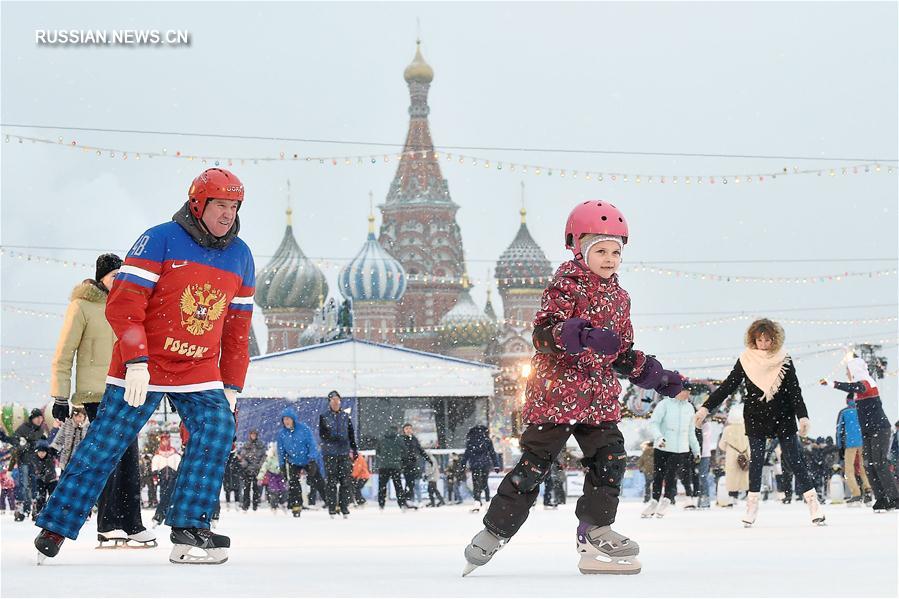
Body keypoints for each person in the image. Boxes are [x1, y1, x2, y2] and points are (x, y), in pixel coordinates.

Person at [35, 168, 255, 565]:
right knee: (107, 442)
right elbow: (124, 303)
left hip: (198, 367)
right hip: (145, 364)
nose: (228, 214)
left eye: (234, 206)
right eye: (220, 205)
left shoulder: (241, 256)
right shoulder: (159, 239)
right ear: (198, 204)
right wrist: (135, 359)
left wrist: (231, 385)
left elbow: (237, 328)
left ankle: (190, 526)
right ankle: (56, 524)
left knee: (218, 428)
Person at [464, 201, 686, 576]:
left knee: (611, 460)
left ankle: (594, 531)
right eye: (601, 251)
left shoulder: (620, 298)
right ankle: (494, 531)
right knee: (534, 467)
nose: (610, 259)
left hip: (598, 398)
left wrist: (658, 377)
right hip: (556, 396)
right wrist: (578, 335)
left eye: (616, 251)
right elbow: (543, 334)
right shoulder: (564, 286)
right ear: (580, 250)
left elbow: (621, 353)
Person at [49, 253, 155, 545]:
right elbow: (64, 352)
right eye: (113, 276)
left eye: (122, 276)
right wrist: (60, 395)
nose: (118, 281)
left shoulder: (129, 306)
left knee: (129, 458)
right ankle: (108, 523)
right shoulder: (82, 306)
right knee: (109, 457)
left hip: (125, 390)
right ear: (101, 278)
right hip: (96, 393)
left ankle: (132, 523)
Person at [695, 318, 824, 528]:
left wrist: (803, 416)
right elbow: (728, 386)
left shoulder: (784, 359)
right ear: (753, 340)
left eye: (767, 340)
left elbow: (794, 391)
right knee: (756, 460)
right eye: (759, 340)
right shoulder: (746, 360)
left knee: (794, 459)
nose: (763, 344)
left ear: (775, 339)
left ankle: (813, 502)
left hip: (783, 415)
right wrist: (705, 407)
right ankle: (752, 506)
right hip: (756, 415)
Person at [822, 357, 898, 511]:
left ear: (855, 370)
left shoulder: (867, 382)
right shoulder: (858, 389)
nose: (847, 373)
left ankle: (894, 498)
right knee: (868, 465)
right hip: (867, 431)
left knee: (880, 463)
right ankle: (881, 498)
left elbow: (858, 387)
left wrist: (833, 384)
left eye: (848, 370)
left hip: (879, 429)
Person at [642, 389, 700, 518]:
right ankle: (654, 501)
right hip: (663, 446)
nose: (687, 394)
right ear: (677, 390)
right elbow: (654, 423)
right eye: (684, 391)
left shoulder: (689, 408)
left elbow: (691, 432)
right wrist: (659, 437)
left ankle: (666, 500)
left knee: (671, 475)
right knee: (658, 475)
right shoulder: (664, 404)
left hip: (680, 449)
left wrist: (696, 450)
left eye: (689, 392)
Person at [319, 391, 359, 517]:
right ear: (329, 402)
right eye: (333, 400)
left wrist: (354, 449)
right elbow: (322, 434)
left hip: (343, 452)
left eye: (337, 400)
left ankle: (344, 506)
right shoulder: (324, 416)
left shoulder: (345, 416)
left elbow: (351, 434)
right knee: (331, 481)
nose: (335, 402)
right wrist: (332, 438)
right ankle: (332, 507)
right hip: (330, 453)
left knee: (345, 481)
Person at [277, 407, 320, 517]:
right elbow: (281, 451)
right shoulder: (282, 434)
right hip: (293, 461)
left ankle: (330, 503)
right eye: (284, 419)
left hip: (307, 460)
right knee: (293, 484)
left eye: (288, 419)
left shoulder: (303, 429)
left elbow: (312, 444)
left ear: (293, 419)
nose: (286, 421)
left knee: (317, 480)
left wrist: (312, 459)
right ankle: (296, 506)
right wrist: (282, 465)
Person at [13, 408, 47, 521]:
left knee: (35, 485)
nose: (39, 420)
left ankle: (34, 509)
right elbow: (16, 441)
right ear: (32, 418)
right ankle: (23, 509)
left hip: (36, 462)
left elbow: (43, 444)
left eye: (41, 418)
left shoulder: (41, 430)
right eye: (37, 417)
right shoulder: (23, 428)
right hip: (24, 461)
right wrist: (26, 445)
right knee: (24, 485)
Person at [716, 405, 750, 507]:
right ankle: (749, 496)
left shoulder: (727, 429)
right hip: (745, 454)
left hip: (732, 456)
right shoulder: (746, 428)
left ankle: (732, 497)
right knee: (745, 476)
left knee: (732, 477)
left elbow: (722, 445)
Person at [460, 425, 500, 508]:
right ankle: (488, 501)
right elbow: (492, 453)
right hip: (485, 464)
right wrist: (496, 465)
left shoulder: (471, 440)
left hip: (474, 464)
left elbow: (466, 454)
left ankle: (477, 502)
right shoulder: (487, 440)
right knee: (485, 483)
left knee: (476, 483)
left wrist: (462, 465)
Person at [150, 433, 181, 528]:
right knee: (163, 493)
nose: (165, 442)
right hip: (162, 475)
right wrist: (155, 474)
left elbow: (177, 461)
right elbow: (155, 463)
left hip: (172, 474)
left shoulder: (173, 452)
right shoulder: (158, 453)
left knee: (171, 493)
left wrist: (177, 470)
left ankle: (168, 511)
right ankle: (163, 512)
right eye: (163, 440)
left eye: (166, 440)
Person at [49, 406, 90, 473]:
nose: (77, 419)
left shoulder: (88, 426)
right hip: (66, 460)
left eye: (80, 416)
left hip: (81, 461)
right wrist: (54, 448)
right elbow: (60, 437)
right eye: (75, 416)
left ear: (84, 416)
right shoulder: (67, 424)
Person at [400, 423, 432, 505]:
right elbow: (399, 452)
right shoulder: (401, 439)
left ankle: (416, 501)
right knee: (409, 483)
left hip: (415, 465)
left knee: (414, 484)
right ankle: (409, 501)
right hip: (406, 465)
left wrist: (428, 459)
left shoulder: (414, 439)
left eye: (410, 428)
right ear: (404, 430)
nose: (408, 430)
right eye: (406, 428)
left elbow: (420, 450)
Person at [375, 428, 408, 510]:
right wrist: (400, 461)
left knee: (382, 486)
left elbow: (377, 452)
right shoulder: (399, 439)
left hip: (383, 466)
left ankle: (381, 504)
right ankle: (401, 504)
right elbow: (405, 451)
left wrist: (381, 461)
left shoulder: (382, 439)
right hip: (395, 466)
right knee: (398, 486)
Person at [237, 429, 266, 511]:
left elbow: (264, 456)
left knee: (256, 488)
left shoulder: (260, 444)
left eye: (254, 434)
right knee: (247, 487)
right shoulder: (246, 444)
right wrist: (245, 464)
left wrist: (259, 465)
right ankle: (246, 504)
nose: (253, 436)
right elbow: (242, 456)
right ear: (250, 435)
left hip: (257, 469)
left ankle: (255, 504)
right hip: (247, 470)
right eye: (252, 434)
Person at [30, 441, 58, 520]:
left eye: (43, 452)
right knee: (40, 497)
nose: (41, 454)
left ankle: (52, 513)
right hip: (40, 480)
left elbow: (56, 450)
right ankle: (39, 513)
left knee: (53, 497)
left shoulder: (50, 456)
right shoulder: (34, 458)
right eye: (40, 452)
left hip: (52, 480)